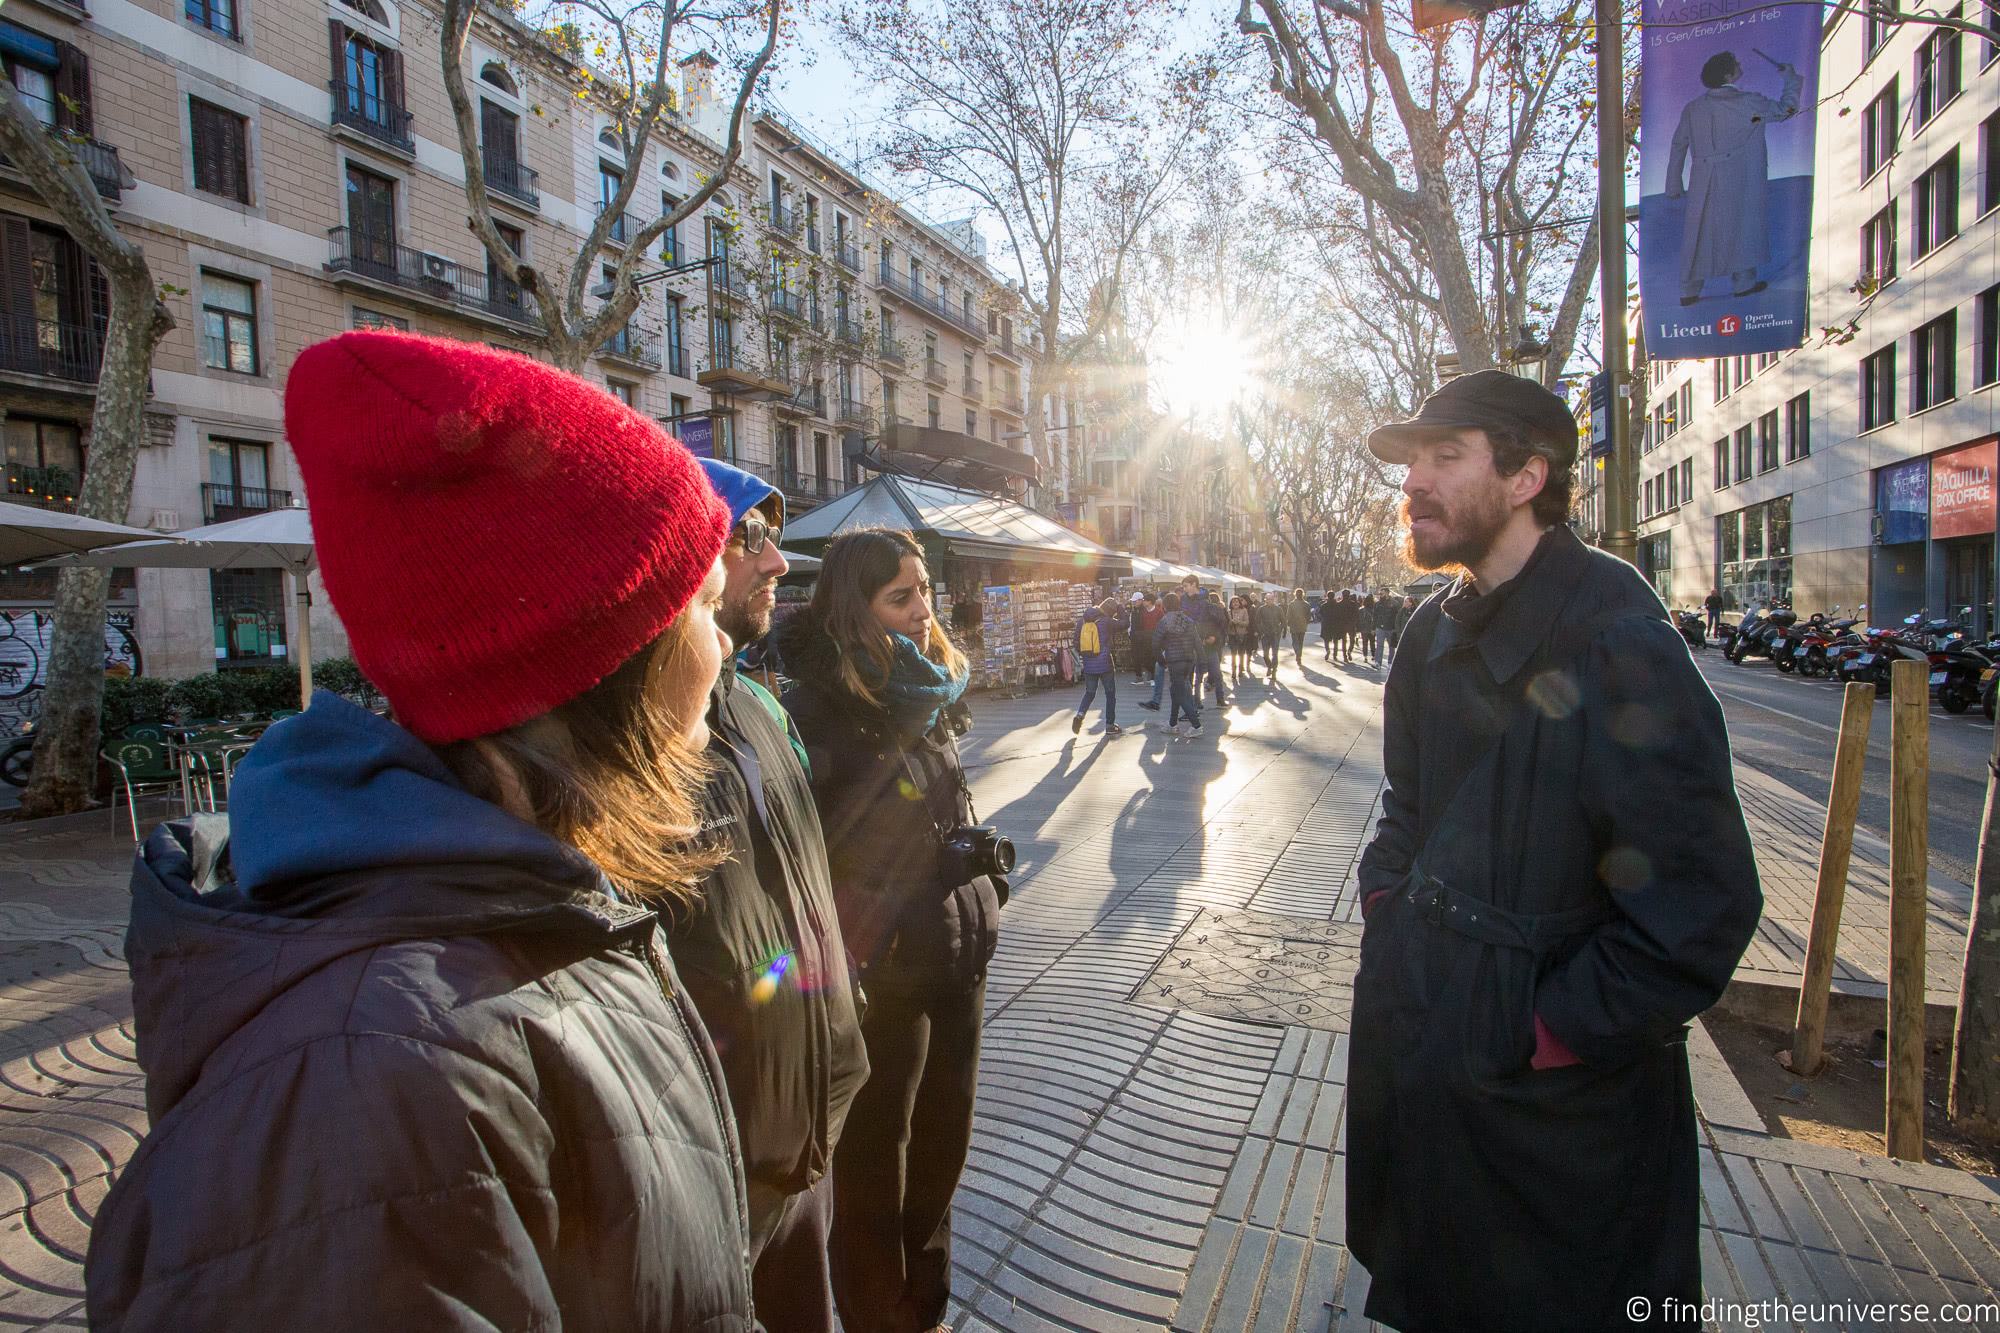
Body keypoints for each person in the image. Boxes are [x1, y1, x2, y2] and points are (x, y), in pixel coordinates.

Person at [85, 331, 757, 1328]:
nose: (727, 640)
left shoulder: (526, 918)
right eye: (702, 603)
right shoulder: (365, 1092)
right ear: (599, 663)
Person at [1348, 369, 1761, 1331]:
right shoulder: (1424, 637)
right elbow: (1405, 808)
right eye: (1412, 460)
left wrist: (1548, 1033)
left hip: (1562, 1123)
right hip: (1426, 1063)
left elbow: (1702, 907)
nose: (1414, 480)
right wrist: (1386, 913)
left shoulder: (1619, 638)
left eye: (1445, 457)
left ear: (1529, 476)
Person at [775, 530, 1003, 1333]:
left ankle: (925, 1314)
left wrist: (984, 883)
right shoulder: (813, 710)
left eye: (925, 592)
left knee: (941, 1163)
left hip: (955, 966)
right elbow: (810, 863)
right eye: (900, 597)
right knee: (876, 1181)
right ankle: (883, 1319)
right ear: (853, 606)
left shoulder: (928, 691)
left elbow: (943, 811)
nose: (922, 611)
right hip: (882, 985)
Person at [676, 458, 870, 1332]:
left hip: (814, 1120)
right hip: (721, 1156)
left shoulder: (757, 702)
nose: (777, 562)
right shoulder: (639, 742)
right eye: (751, 536)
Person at [1663, 49, 1803, 306]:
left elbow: (1678, 144)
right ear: (1728, 73)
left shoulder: (1693, 108)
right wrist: (1791, 79)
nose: (1740, 65)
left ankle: (1689, 290)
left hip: (1702, 178)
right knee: (1742, 227)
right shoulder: (1748, 102)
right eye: (1735, 63)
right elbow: (1786, 109)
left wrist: (1673, 183)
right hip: (1740, 177)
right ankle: (1743, 283)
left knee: (1699, 233)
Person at [1072, 597, 1126, 736]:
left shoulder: (1082, 621)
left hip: (1089, 664)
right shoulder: (1107, 621)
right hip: (1105, 664)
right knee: (1110, 694)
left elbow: (1076, 642)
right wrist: (1120, 608)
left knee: (1090, 692)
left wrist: (1086, 655)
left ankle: (1080, 714)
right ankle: (1109, 726)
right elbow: (1125, 624)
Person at [1153, 590, 1203, 737]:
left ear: (1165, 606)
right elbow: (1197, 642)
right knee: (1176, 690)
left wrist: (1161, 661)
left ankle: (1196, 725)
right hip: (1189, 659)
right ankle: (1172, 723)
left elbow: (1155, 643)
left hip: (1175, 660)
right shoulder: (1188, 620)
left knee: (1179, 693)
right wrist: (1203, 661)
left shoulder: (1164, 621)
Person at [1195, 589, 1230, 707]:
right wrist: (1214, 638)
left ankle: (1198, 701)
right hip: (1208, 646)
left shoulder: (1200, 609)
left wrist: (1206, 639)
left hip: (1204, 647)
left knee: (1200, 676)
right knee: (1215, 674)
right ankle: (1219, 699)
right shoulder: (1213, 609)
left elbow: (1221, 626)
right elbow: (1222, 626)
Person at [1132, 589, 1164, 683]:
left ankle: (1154, 678)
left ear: (1149, 601)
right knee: (1147, 658)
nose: (1143, 602)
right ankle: (1152, 676)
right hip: (1145, 638)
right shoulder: (1143, 612)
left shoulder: (1158, 612)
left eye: (1145, 600)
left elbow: (1162, 625)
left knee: (1154, 658)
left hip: (1155, 638)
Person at [1257, 591, 1285, 679]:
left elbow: (1283, 621)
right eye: (1268, 599)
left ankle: (1274, 671)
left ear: (1274, 600)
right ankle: (1269, 666)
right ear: (1265, 600)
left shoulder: (1278, 609)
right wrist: (1261, 631)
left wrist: (1281, 631)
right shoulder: (1261, 609)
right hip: (1265, 635)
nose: (1270, 601)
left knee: (1275, 654)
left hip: (1275, 634)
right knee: (1265, 655)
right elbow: (1257, 621)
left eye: (1271, 599)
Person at [1227, 594, 1253, 683]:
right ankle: (1233, 671)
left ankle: (1240, 669)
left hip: (1242, 635)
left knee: (1241, 653)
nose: (1235, 603)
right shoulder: (1229, 612)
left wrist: (1238, 622)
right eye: (1233, 602)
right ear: (1231, 604)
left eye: (1237, 601)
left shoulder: (1244, 610)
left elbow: (1247, 623)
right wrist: (1231, 622)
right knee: (1233, 653)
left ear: (1239, 603)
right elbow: (1226, 625)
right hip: (1232, 635)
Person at [1285, 588, 1311, 667]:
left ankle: (1298, 653)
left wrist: (1288, 624)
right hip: (1302, 626)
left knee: (1295, 642)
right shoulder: (1306, 604)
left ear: (1295, 594)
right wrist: (1306, 622)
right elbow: (1309, 616)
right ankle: (1299, 655)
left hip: (1294, 625)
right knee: (1300, 642)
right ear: (1303, 594)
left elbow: (1288, 615)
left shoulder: (1291, 604)